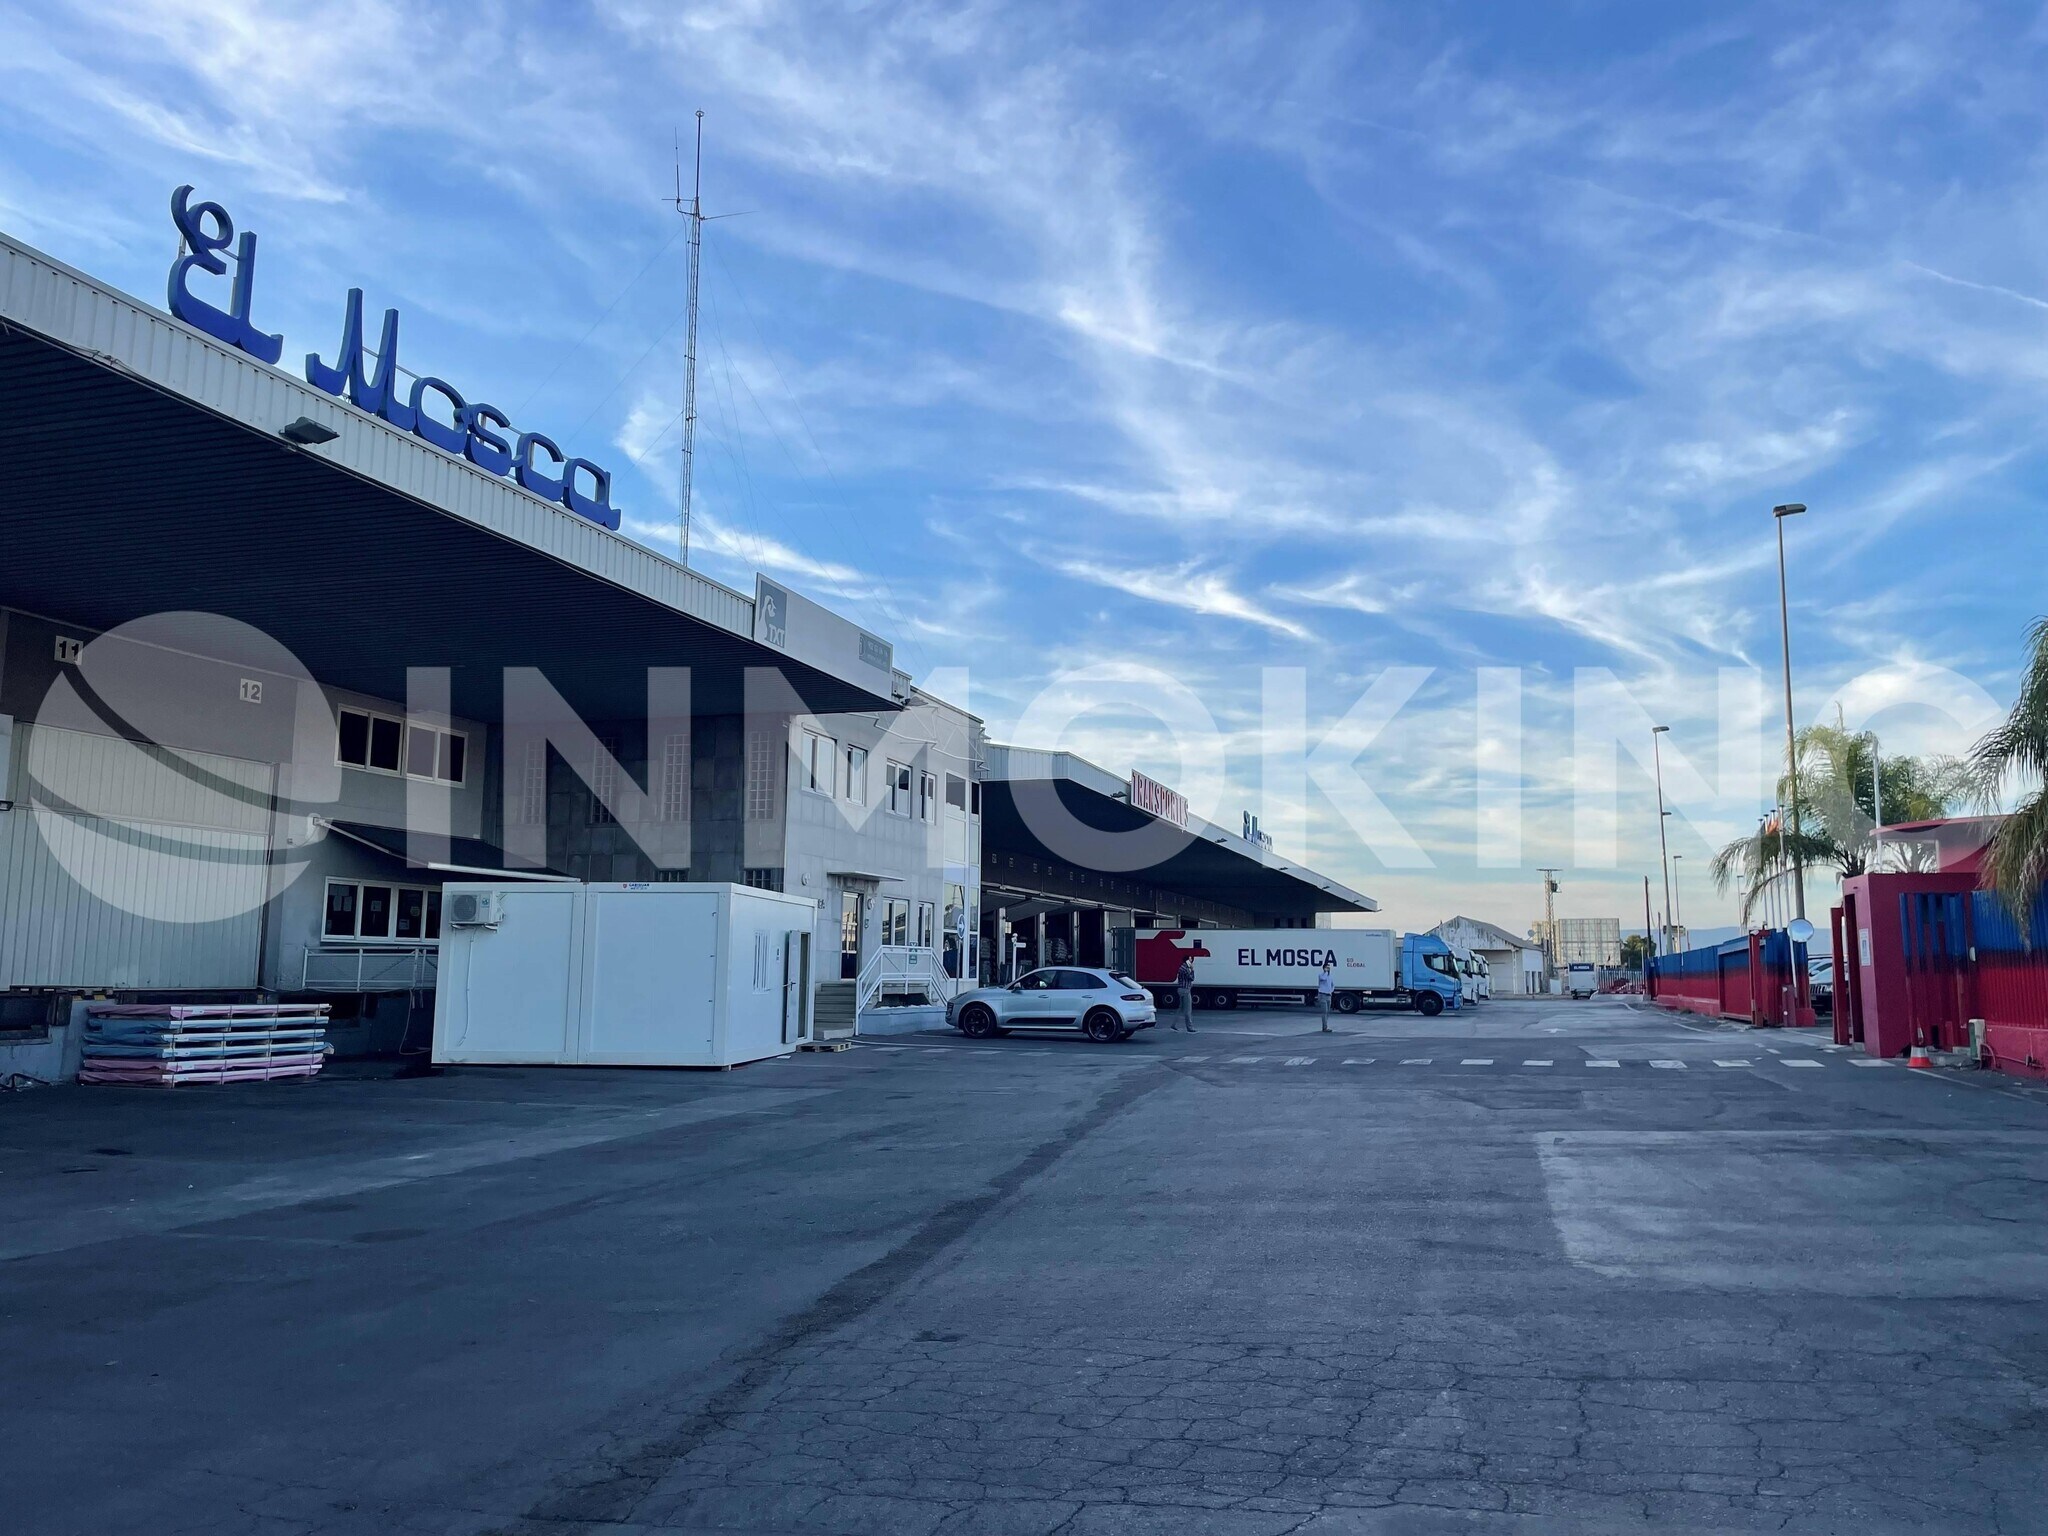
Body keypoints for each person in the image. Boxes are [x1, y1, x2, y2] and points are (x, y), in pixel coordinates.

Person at [1175, 956, 1196, 1032]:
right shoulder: (1185, 969)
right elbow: (1191, 978)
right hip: (1185, 990)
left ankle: (1174, 1024)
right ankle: (1189, 1027)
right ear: (1187, 961)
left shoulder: (1182, 968)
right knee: (1188, 1010)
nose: (1191, 961)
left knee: (1180, 1008)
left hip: (1181, 989)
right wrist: (1192, 970)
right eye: (1190, 959)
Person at [1316, 962, 1335, 1031]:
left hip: (1328, 995)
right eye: (1327, 967)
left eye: (1329, 967)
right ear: (1324, 968)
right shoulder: (1321, 975)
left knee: (1328, 1012)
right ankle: (1324, 1027)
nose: (1328, 969)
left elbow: (1332, 985)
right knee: (1324, 1011)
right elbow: (1323, 979)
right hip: (1322, 995)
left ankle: (1325, 1025)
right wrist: (1326, 972)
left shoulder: (1330, 976)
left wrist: (1331, 991)